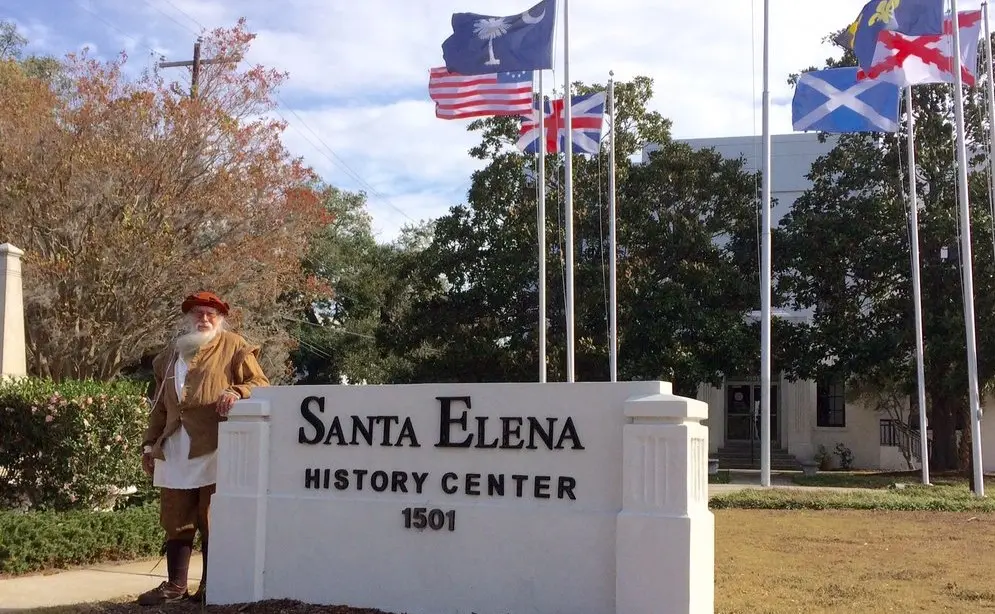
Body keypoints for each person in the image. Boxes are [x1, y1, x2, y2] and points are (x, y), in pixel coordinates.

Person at [137, 291, 270, 605]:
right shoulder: (172, 352)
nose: (204, 319)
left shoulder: (234, 346)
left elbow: (262, 383)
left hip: (213, 443)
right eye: (198, 313)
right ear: (189, 317)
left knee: (212, 516)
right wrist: (148, 444)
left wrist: (237, 391)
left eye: (211, 314)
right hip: (173, 444)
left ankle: (212, 585)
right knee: (175, 516)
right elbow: (160, 405)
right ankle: (175, 586)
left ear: (221, 317)